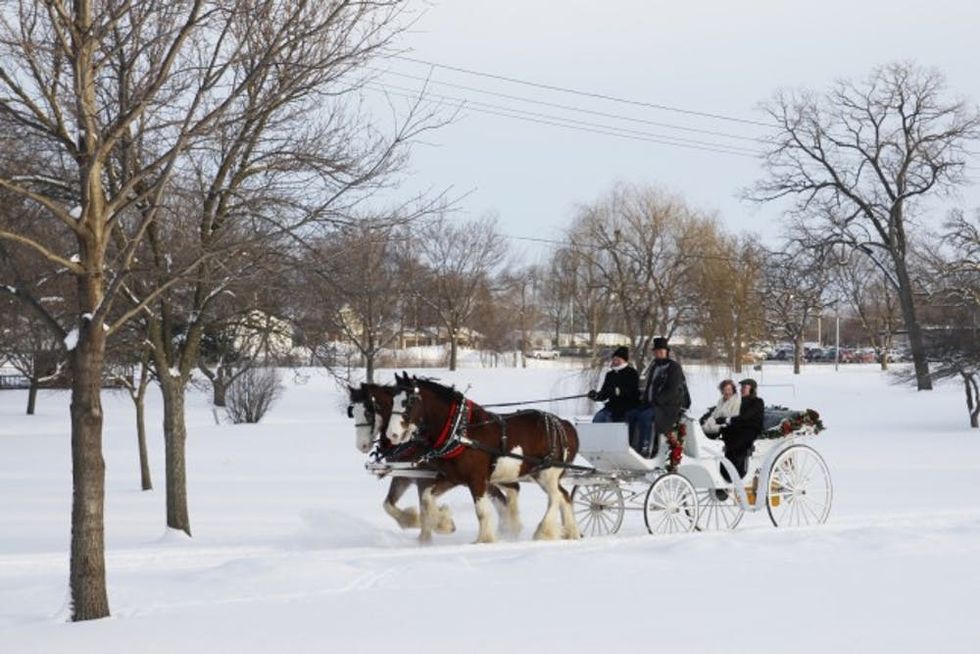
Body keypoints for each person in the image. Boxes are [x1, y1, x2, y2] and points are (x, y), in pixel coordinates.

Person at [627, 336, 689, 458]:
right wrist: (644, 400)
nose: (658, 353)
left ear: (666, 352)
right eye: (656, 351)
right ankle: (630, 444)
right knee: (631, 414)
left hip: (667, 406)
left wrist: (656, 400)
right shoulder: (654, 366)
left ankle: (645, 447)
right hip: (651, 404)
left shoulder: (673, 367)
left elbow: (672, 390)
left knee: (646, 416)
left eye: (661, 351)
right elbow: (650, 386)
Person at [708, 378, 764, 484]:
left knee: (735, 443)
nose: (742, 389)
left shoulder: (757, 402)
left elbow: (745, 417)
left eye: (745, 388)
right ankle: (721, 470)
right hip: (738, 427)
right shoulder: (738, 400)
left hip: (751, 429)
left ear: (752, 390)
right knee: (722, 434)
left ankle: (736, 473)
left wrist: (727, 419)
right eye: (742, 387)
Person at [588, 346, 640, 423]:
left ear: (624, 361)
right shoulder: (610, 375)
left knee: (609, 420)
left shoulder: (632, 373)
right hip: (612, 407)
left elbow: (633, 392)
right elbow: (604, 393)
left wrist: (618, 391)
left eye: (618, 360)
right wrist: (596, 396)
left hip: (627, 407)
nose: (615, 362)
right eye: (614, 359)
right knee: (598, 418)